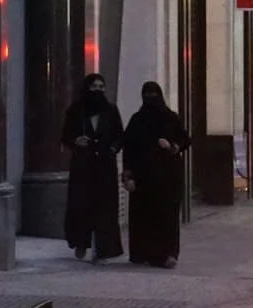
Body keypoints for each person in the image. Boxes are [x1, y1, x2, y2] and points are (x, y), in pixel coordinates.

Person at [121, 81, 190, 268]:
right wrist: (128, 176)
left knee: (167, 216)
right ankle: (143, 253)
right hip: (143, 178)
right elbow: (128, 148)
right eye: (147, 95)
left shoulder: (171, 118)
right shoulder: (137, 120)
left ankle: (167, 254)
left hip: (169, 178)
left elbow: (185, 139)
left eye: (154, 95)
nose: (151, 99)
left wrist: (172, 146)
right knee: (143, 215)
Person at [62, 74, 124, 263]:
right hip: (83, 166)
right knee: (82, 204)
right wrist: (76, 141)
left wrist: (113, 148)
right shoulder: (76, 110)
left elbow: (120, 135)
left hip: (105, 166)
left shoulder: (111, 111)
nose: (98, 90)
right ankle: (81, 242)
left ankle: (104, 249)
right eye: (94, 86)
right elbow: (65, 135)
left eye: (101, 86)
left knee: (105, 207)